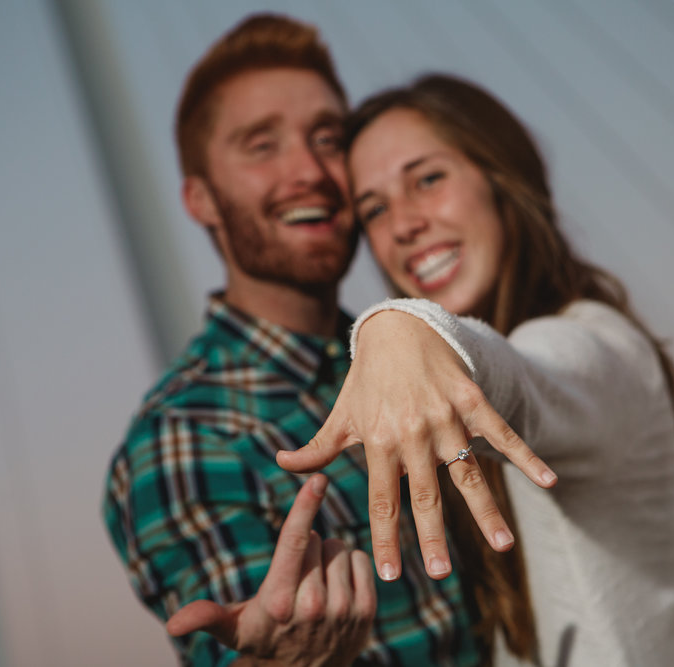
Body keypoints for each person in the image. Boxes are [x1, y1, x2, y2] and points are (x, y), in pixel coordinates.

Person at [101, 16, 554, 666]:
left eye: (327, 138)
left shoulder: (432, 350)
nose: (310, 170)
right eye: (262, 145)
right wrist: (279, 657)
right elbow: (247, 636)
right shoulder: (185, 436)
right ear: (201, 199)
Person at [278, 74, 674, 666]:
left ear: (503, 179)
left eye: (428, 179)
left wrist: (402, 328)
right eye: (374, 208)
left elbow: (525, 378)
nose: (403, 224)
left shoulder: (597, 345)